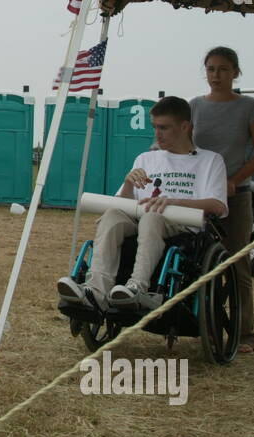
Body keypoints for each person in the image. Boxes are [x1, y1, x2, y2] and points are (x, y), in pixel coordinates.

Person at [59, 96, 227, 312]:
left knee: (152, 217)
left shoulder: (210, 160)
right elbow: (122, 205)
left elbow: (218, 206)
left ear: (185, 127)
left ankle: (137, 286)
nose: (157, 133)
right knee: (112, 215)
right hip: (140, 219)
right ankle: (95, 290)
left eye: (164, 128)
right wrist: (128, 184)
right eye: (155, 127)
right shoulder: (145, 159)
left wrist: (173, 201)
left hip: (181, 226)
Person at [191, 46, 254, 353]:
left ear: (235, 72)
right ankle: (203, 326)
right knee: (198, 262)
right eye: (210, 69)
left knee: (237, 264)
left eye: (223, 69)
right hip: (199, 196)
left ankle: (245, 334)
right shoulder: (194, 106)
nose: (216, 76)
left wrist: (234, 181)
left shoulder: (250, 107)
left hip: (236, 197)